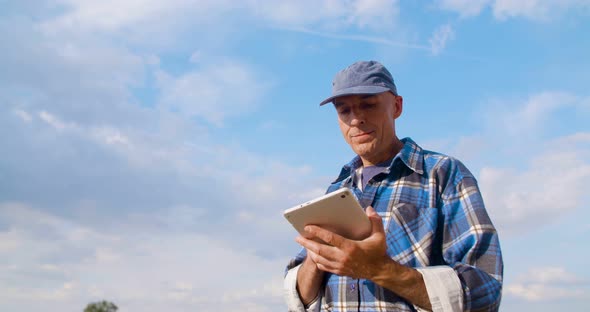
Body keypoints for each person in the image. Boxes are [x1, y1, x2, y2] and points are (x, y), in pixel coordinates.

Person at [283, 60, 503, 312]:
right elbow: (299, 298)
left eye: (368, 105)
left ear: (397, 106)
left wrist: (379, 269)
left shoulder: (443, 174)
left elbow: (486, 290)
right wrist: (317, 257)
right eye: (344, 111)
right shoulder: (336, 190)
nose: (356, 119)